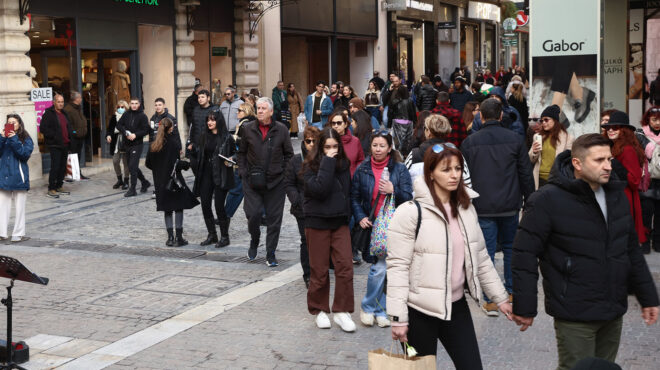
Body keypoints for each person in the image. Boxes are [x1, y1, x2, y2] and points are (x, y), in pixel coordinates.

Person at [512, 133, 660, 370]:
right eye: (599, 160)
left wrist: (648, 296)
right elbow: (524, 253)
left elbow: (630, 248)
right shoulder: (547, 200)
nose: (608, 166)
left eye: (609, 159)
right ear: (577, 164)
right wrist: (525, 306)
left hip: (612, 308)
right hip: (574, 311)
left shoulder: (616, 195)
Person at [389, 143, 512, 368]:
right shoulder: (409, 212)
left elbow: (481, 259)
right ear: (431, 174)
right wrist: (398, 318)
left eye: (457, 168)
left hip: (456, 307)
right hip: (418, 312)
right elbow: (397, 267)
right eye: (446, 170)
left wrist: (500, 298)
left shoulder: (466, 208)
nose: (454, 175)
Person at [460, 98, 535, 316]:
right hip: (510, 203)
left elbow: (466, 177)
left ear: (480, 116)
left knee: (486, 251)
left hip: (482, 204)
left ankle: (490, 297)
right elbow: (525, 174)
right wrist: (529, 201)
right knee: (512, 248)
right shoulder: (514, 139)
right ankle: (510, 291)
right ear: (501, 115)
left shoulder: (469, 143)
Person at [351, 131, 413, 328]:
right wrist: (360, 216)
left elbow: (408, 197)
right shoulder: (363, 169)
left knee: (385, 268)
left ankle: (376, 308)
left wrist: (393, 190)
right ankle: (372, 308)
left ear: (389, 148)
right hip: (373, 224)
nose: (378, 149)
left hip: (395, 225)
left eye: (382, 146)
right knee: (380, 268)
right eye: (375, 145)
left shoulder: (400, 170)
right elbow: (354, 197)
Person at [301, 127, 356, 331]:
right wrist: (328, 163)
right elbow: (320, 189)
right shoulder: (309, 167)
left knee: (345, 267)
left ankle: (342, 311)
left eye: (335, 147)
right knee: (319, 270)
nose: (332, 151)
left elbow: (347, 192)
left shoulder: (344, 165)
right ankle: (319, 309)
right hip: (317, 222)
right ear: (319, 147)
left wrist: (347, 213)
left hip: (339, 221)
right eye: (327, 147)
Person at [237, 97, 294, 267]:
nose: (260, 111)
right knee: (253, 214)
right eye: (258, 108)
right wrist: (243, 172)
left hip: (275, 183)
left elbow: (289, 155)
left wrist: (284, 174)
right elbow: (241, 153)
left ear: (271, 111)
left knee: (274, 219)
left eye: (263, 108)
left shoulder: (282, 130)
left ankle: (271, 253)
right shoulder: (248, 129)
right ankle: (254, 240)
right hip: (252, 181)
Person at [146, 118, 198, 247]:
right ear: (170, 128)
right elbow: (175, 164)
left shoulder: (153, 145)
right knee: (178, 206)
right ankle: (179, 238)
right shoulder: (173, 143)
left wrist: (159, 170)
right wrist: (187, 165)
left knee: (167, 209)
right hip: (173, 180)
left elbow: (148, 163)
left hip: (160, 181)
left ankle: (170, 238)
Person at [601, 111, 647, 246]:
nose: (610, 130)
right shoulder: (611, 145)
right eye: (608, 127)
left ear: (624, 130)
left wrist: (615, 163)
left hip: (624, 198)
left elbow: (634, 181)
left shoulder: (627, 149)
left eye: (615, 127)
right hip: (614, 196)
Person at [192, 111, 235, 248]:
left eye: (213, 120)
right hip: (206, 174)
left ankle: (224, 236)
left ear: (218, 121)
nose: (209, 122)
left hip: (221, 174)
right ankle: (212, 234)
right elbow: (198, 154)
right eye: (208, 120)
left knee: (219, 206)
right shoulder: (204, 136)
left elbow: (237, 153)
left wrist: (232, 159)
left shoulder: (226, 137)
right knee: (205, 204)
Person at [285, 126, 319, 288]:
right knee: (306, 240)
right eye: (308, 141)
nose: (311, 144)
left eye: (314, 141)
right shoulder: (296, 161)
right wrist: (297, 201)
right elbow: (289, 183)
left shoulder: (323, 160)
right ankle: (308, 274)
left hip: (319, 207)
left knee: (319, 240)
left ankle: (319, 270)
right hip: (302, 209)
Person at [0, 114, 33, 243]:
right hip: (4, 176)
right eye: (9, 122)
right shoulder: (3, 138)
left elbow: (24, 155)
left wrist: (14, 139)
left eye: (14, 122)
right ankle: (2, 232)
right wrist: (2, 138)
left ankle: (17, 233)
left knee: (20, 207)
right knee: (2, 206)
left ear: (19, 124)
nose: (11, 124)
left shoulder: (26, 138)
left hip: (19, 176)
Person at [529, 105, 574, 189]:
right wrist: (534, 152)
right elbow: (531, 160)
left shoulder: (568, 138)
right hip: (539, 179)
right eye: (542, 121)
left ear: (555, 120)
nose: (543, 123)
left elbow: (568, 162)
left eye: (546, 120)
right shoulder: (537, 136)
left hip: (556, 179)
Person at [224, 103, 256, 221]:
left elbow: (245, 146)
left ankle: (226, 215)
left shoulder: (245, 125)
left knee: (236, 191)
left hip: (243, 163)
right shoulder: (249, 123)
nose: (237, 112)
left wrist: (233, 139)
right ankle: (262, 216)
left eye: (240, 110)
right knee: (252, 191)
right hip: (248, 163)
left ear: (246, 111)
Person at [117, 97, 152, 197]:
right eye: (132, 103)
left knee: (132, 166)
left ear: (139, 104)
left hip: (137, 144)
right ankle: (145, 182)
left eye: (136, 103)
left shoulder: (143, 116)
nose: (134, 105)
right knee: (132, 166)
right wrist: (125, 132)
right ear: (130, 104)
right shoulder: (126, 114)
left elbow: (146, 130)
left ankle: (133, 189)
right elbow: (119, 125)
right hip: (127, 144)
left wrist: (135, 135)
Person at [40, 93, 72, 198]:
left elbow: (68, 127)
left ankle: (59, 185)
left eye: (62, 102)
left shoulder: (64, 113)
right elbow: (43, 128)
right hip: (55, 145)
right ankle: (51, 188)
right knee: (55, 166)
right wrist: (54, 136)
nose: (60, 104)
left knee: (63, 167)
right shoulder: (49, 113)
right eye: (58, 102)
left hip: (65, 144)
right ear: (54, 102)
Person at [639, 106, 660, 253]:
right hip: (648, 180)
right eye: (654, 119)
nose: (657, 122)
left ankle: (658, 243)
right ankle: (645, 243)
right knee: (646, 214)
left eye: (659, 119)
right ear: (648, 120)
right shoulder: (640, 135)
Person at [327, 111, 364, 176]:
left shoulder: (355, 141)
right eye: (333, 123)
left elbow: (361, 160)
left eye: (339, 123)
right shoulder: (327, 141)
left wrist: (355, 173)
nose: (336, 126)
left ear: (345, 124)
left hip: (352, 179)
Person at [63, 91, 89, 179]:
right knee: (72, 156)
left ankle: (77, 173)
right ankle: (71, 174)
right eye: (80, 98)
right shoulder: (69, 109)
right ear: (76, 99)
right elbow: (68, 124)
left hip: (80, 136)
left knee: (77, 156)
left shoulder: (77, 108)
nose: (81, 99)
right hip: (73, 138)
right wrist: (74, 132)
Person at [188, 90, 219, 162]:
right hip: (196, 144)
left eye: (202, 97)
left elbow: (219, 127)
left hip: (209, 145)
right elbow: (192, 127)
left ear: (208, 98)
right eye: (199, 97)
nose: (200, 99)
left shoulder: (215, 109)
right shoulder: (195, 109)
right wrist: (191, 142)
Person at [387, 85, 417, 157]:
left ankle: (398, 155)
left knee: (398, 140)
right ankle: (406, 154)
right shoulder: (410, 100)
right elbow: (413, 113)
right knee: (407, 139)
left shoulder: (394, 101)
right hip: (408, 121)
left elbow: (390, 113)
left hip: (397, 121)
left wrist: (389, 124)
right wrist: (415, 123)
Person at [107, 100, 130, 190]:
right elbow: (110, 129)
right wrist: (108, 135)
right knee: (115, 161)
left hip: (126, 142)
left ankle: (126, 181)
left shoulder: (129, 116)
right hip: (116, 142)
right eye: (118, 107)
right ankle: (119, 179)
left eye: (122, 107)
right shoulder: (114, 117)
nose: (120, 109)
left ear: (126, 108)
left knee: (126, 163)